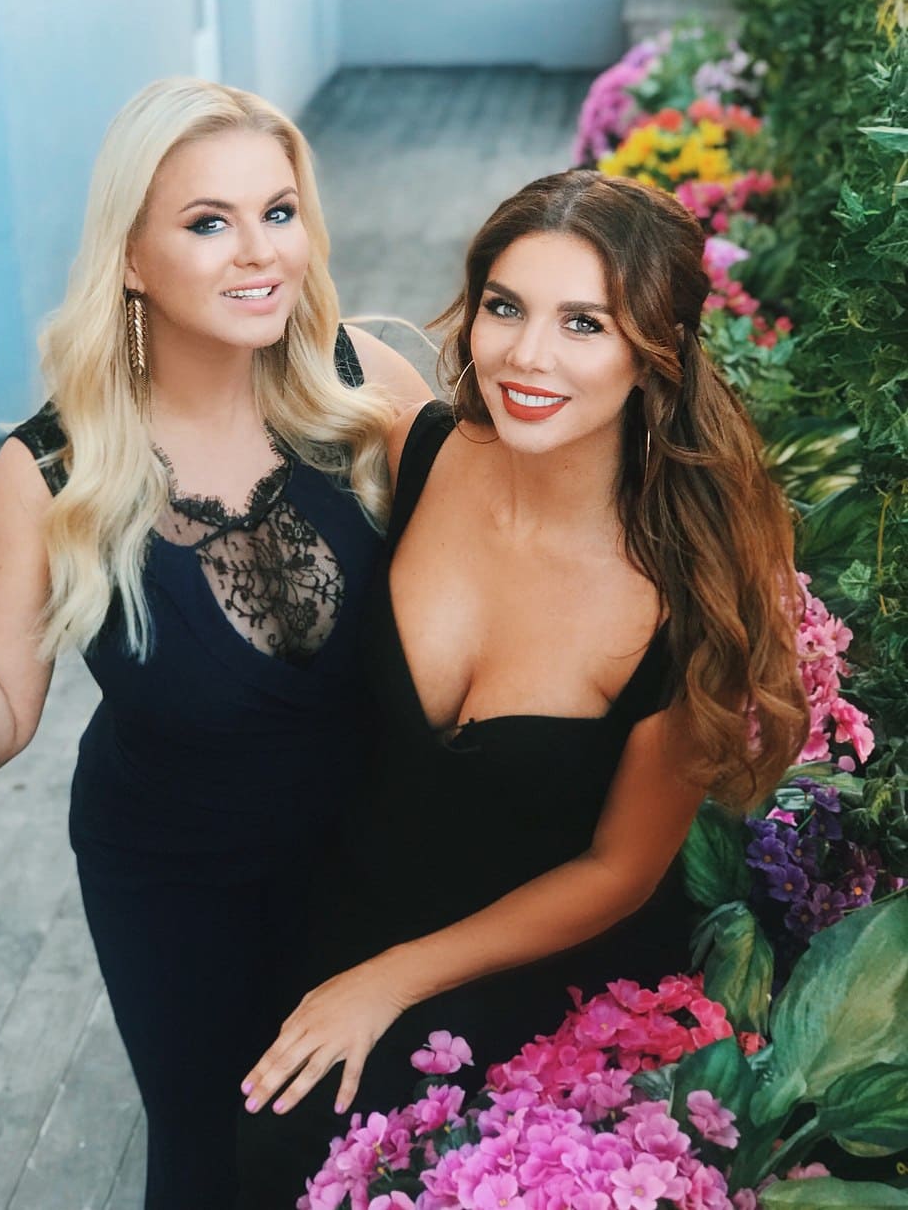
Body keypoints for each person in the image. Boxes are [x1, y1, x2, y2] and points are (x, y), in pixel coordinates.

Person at [0, 77, 428, 1207]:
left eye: (278, 211)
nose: (258, 251)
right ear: (130, 259)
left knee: (378, 1145)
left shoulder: (367, 390)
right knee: (217, 1155)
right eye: (208, 222)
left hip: (373, 852)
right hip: (176, 881)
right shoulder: (51, 472)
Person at [235, 169, 810, 1206]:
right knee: (260, 1155)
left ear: (657, 351)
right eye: (505, 307)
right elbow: (231, 353)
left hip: (538, 993)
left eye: (584, 323)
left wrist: (391, 981)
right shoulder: (417, 449)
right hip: (341, 917)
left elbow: (619, 870)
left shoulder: (688, 592)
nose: (527, 355)